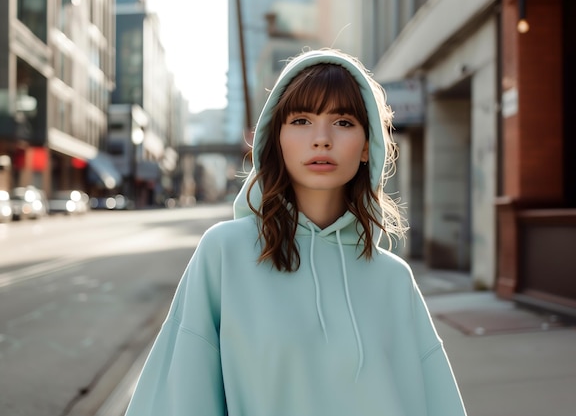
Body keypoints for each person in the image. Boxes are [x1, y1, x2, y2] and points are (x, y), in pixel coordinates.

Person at [124, 48, 466, 416]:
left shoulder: (393, 279)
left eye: (344, 122)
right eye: (301, 120)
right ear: (277, 140)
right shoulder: (225, 253)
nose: (321, 139)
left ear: (368, 147)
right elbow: (182, 397)